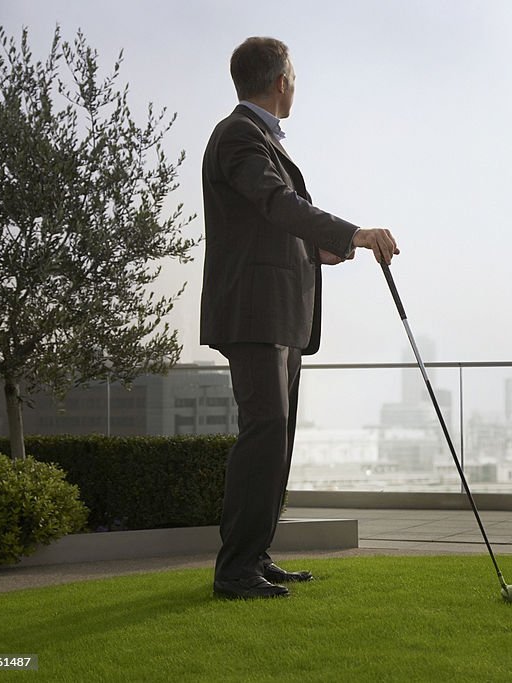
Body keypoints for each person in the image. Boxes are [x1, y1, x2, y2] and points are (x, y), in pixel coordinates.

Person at [200, 36, 399, 600]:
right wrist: (352, 233)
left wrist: (316, 252)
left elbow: (268, 225)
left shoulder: (257, 137)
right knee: (263, 436)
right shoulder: (240, 134)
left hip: (282, 314)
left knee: (276, 439)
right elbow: (277, 204)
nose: (297, 84)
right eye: (295, 75)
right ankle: (234, 570)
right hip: (257, 313)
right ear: (281, 79)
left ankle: (254, 556)